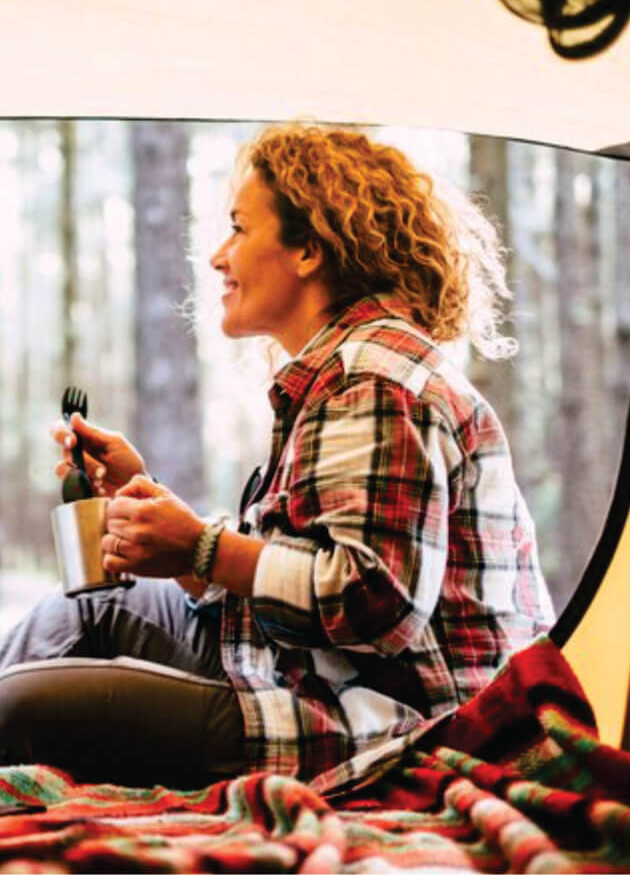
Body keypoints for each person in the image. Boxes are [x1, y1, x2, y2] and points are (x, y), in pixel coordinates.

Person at [0, 124, 554, 790]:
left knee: (21, 708)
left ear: (310, 249)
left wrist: (201, 548)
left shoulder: (372, 379)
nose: (216, 256)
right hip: (323, 676)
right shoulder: (340, 372)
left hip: (399, 724)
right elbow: (288, 579)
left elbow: (371, 602)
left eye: (238, 227)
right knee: (82, 611)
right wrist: (145, 503)